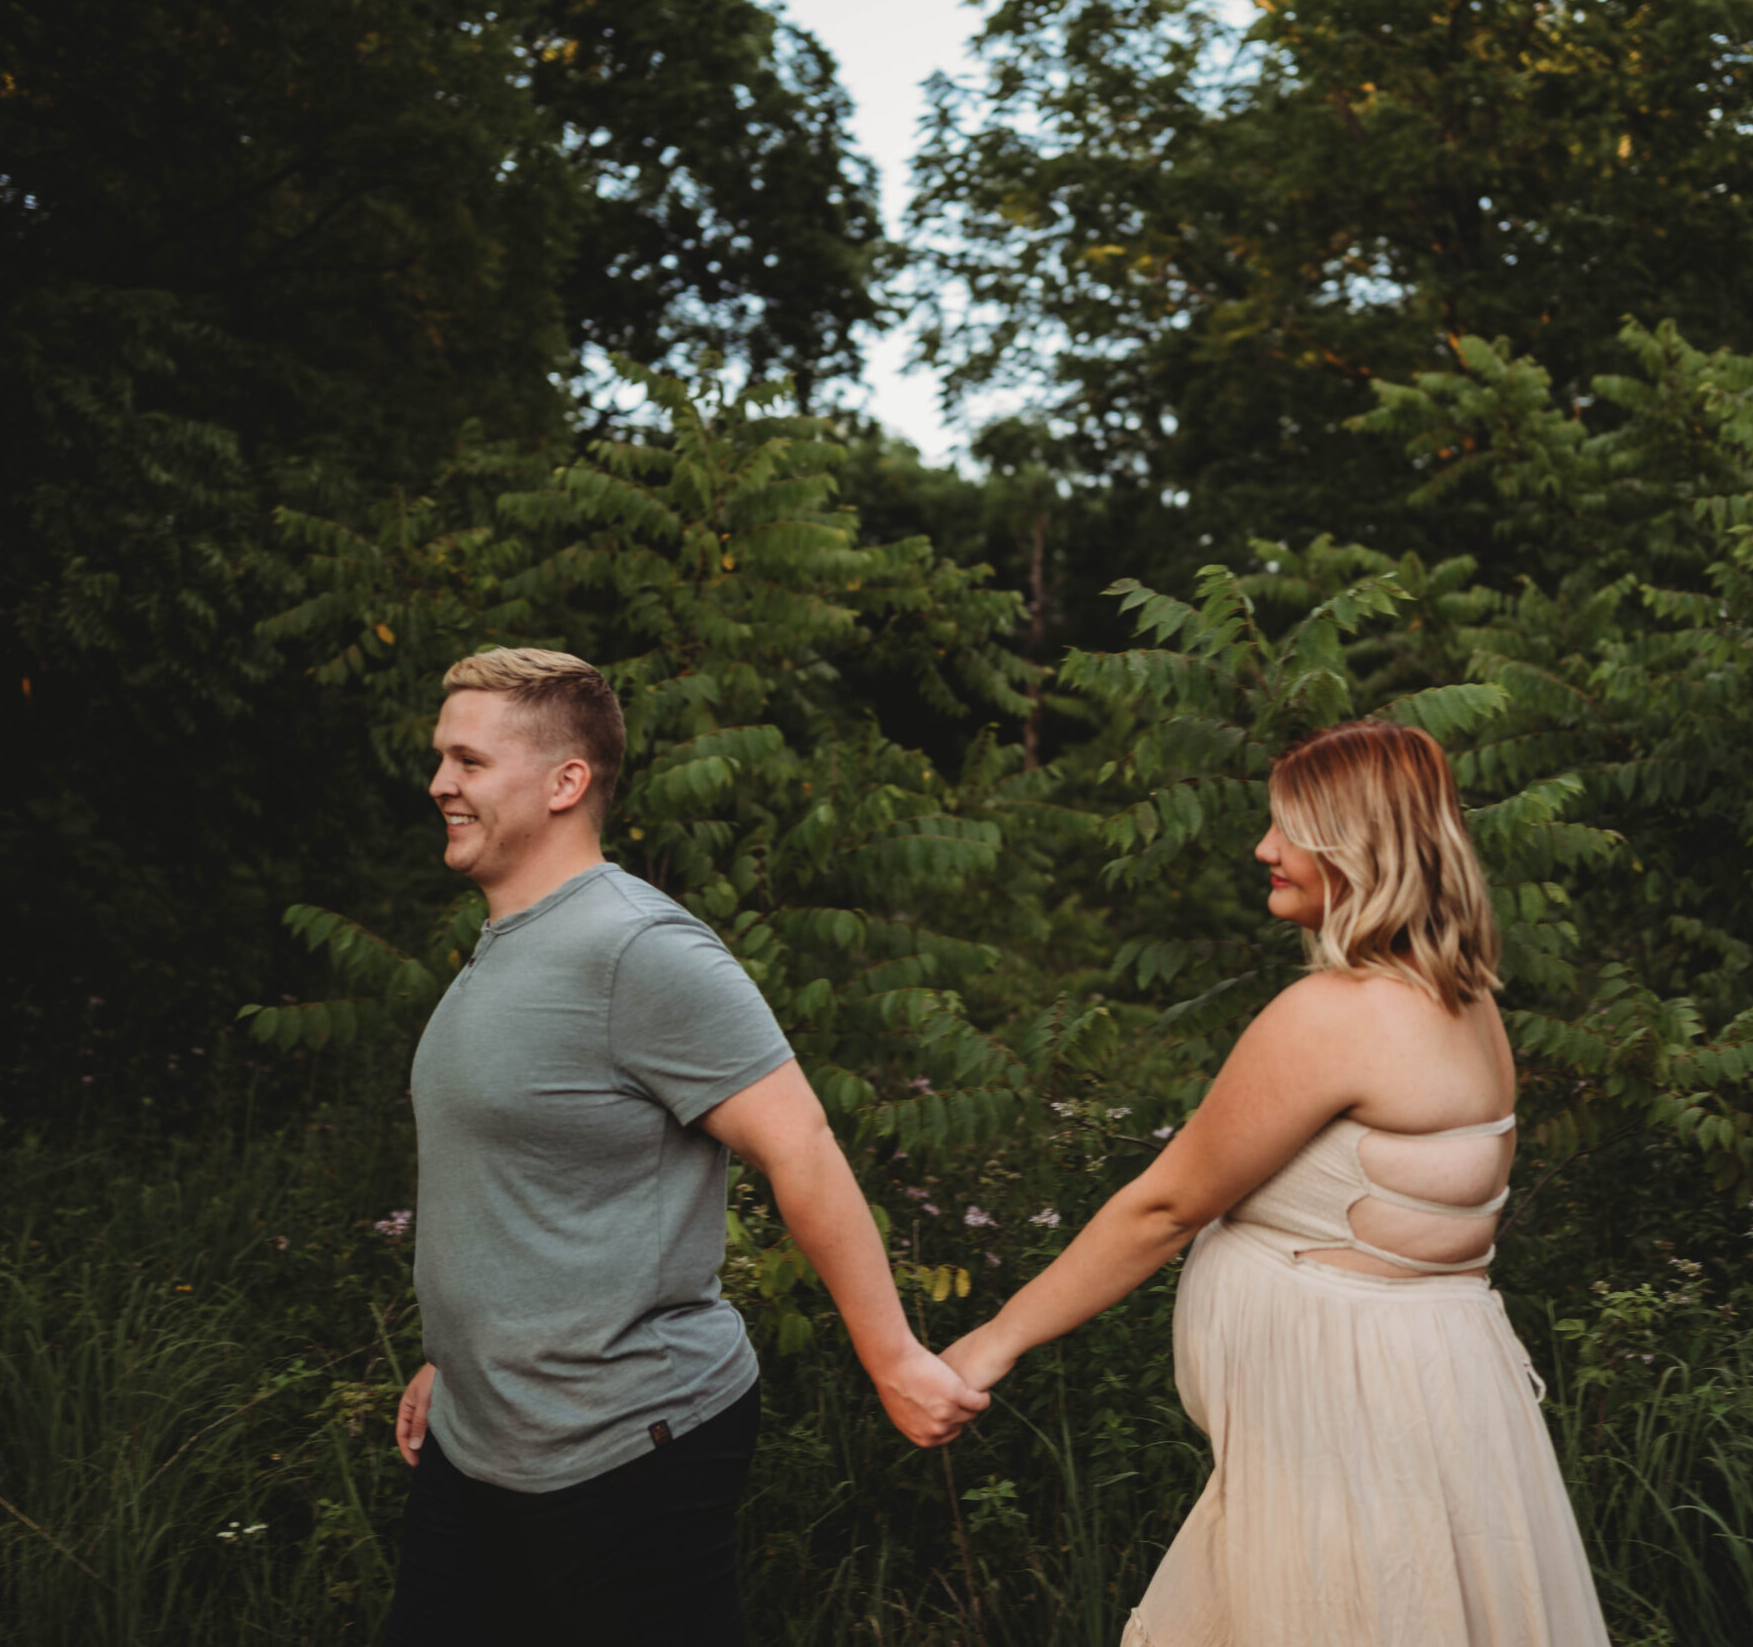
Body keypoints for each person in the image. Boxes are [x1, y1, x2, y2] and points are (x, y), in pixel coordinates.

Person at [944, 719, 1610, 1646]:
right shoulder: (1466, 1000)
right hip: (1415, 1417)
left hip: (1351, 1438)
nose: (1266, 849)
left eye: (1290, 829)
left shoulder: (1336, 1015)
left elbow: (1166, 1203)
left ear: (1358, 843)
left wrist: (992, 1341)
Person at [382, 646, 988, 1646]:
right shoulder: (509, 948)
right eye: (443, 759)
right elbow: (516, 1188)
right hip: (480, 1438)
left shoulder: (638, 949)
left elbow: (801, 1146)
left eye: (468, 761)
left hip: (625, 1444)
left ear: (566, 781)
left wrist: (893, 1361)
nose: (439, 782)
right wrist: (456, 1361)